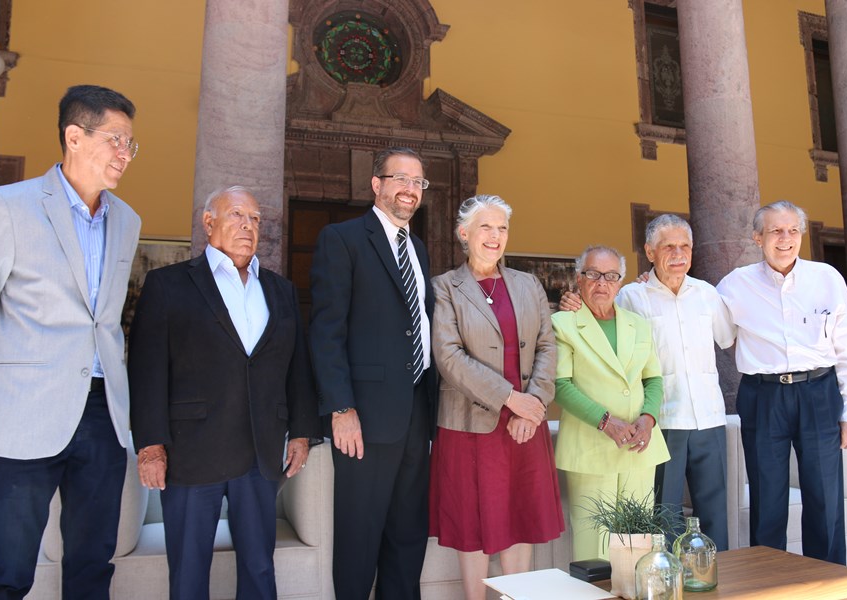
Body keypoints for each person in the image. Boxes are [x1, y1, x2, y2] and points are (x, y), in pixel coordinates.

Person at [128, 186, 321, 599]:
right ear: (208, 222)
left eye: (255, 219)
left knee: (258, 566)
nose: (248, 226)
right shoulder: (168, 285)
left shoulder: (280, 289)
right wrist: (150, 445)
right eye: (236, 215)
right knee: (189, 570)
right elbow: (145, 370)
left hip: (260, 451)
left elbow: (297, 366)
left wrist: (302, 432)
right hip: (192, 452)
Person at [0, 84, 141, 599]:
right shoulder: (7, 207)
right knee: (5, 571)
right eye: (115, 140)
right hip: (21, 416)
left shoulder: (127, 221)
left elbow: (105, 322)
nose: (125, 154)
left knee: (93, 566)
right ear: (74, 136)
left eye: (130, 144)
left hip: (102, 414)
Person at [559, 215, 733, 550]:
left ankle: (715, 580)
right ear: (650, 252)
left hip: (709, 417)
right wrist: (574, 302)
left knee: (714, 513)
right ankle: (666, 580)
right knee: (663, 516)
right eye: (669, 246)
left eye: (685, 246)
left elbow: (730, 339)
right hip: (661, 421)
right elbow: (599, 315)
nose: (678, 254)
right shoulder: (631, 296)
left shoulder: (708, 295)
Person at [309, 147, 437, 599]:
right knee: (359, 536)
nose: (409, 189)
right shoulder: (341, 239)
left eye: (418, 182)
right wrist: (341, 407)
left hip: (416, 411)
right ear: (376, 184)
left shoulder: (418, 249)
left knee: (407, 536)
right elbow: (327, 332)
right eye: (400, 178)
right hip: (363, 418)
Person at [716, 200, 847, 565]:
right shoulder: (734, 284)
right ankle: (772, 584)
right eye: (775, 231)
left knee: (825, 497)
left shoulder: (827, 279)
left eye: (792, 231)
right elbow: (716, 331)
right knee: (768, 500)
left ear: (800, 235)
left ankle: (829, 582)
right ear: (758, 238)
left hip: (819, 393)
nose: (785, 239)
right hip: (763, 395)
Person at [429, 195, 564, 600]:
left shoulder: (527, 284)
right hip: (468, 423)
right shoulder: (444, 288)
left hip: (526, 424)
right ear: (463, 234)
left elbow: (547, 346)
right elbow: (448, 356)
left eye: (502, 228)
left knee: (520, 516)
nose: (495, 236)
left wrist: (534, 405)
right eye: (485, 227)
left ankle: (515, 597)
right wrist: (511, 399)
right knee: (470, 521)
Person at [551, 245, 669, 561]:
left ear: (620, 282)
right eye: (593, 274)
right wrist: (605, 421)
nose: (602, 283)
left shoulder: (638, 324)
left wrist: (648, 418)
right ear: (579, 278)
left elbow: (654, 379)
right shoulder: (563, 324)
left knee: (639, 541)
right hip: (591, 444)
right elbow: (560, 385)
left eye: (611, 276)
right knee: (595, 549)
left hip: (638, 445)